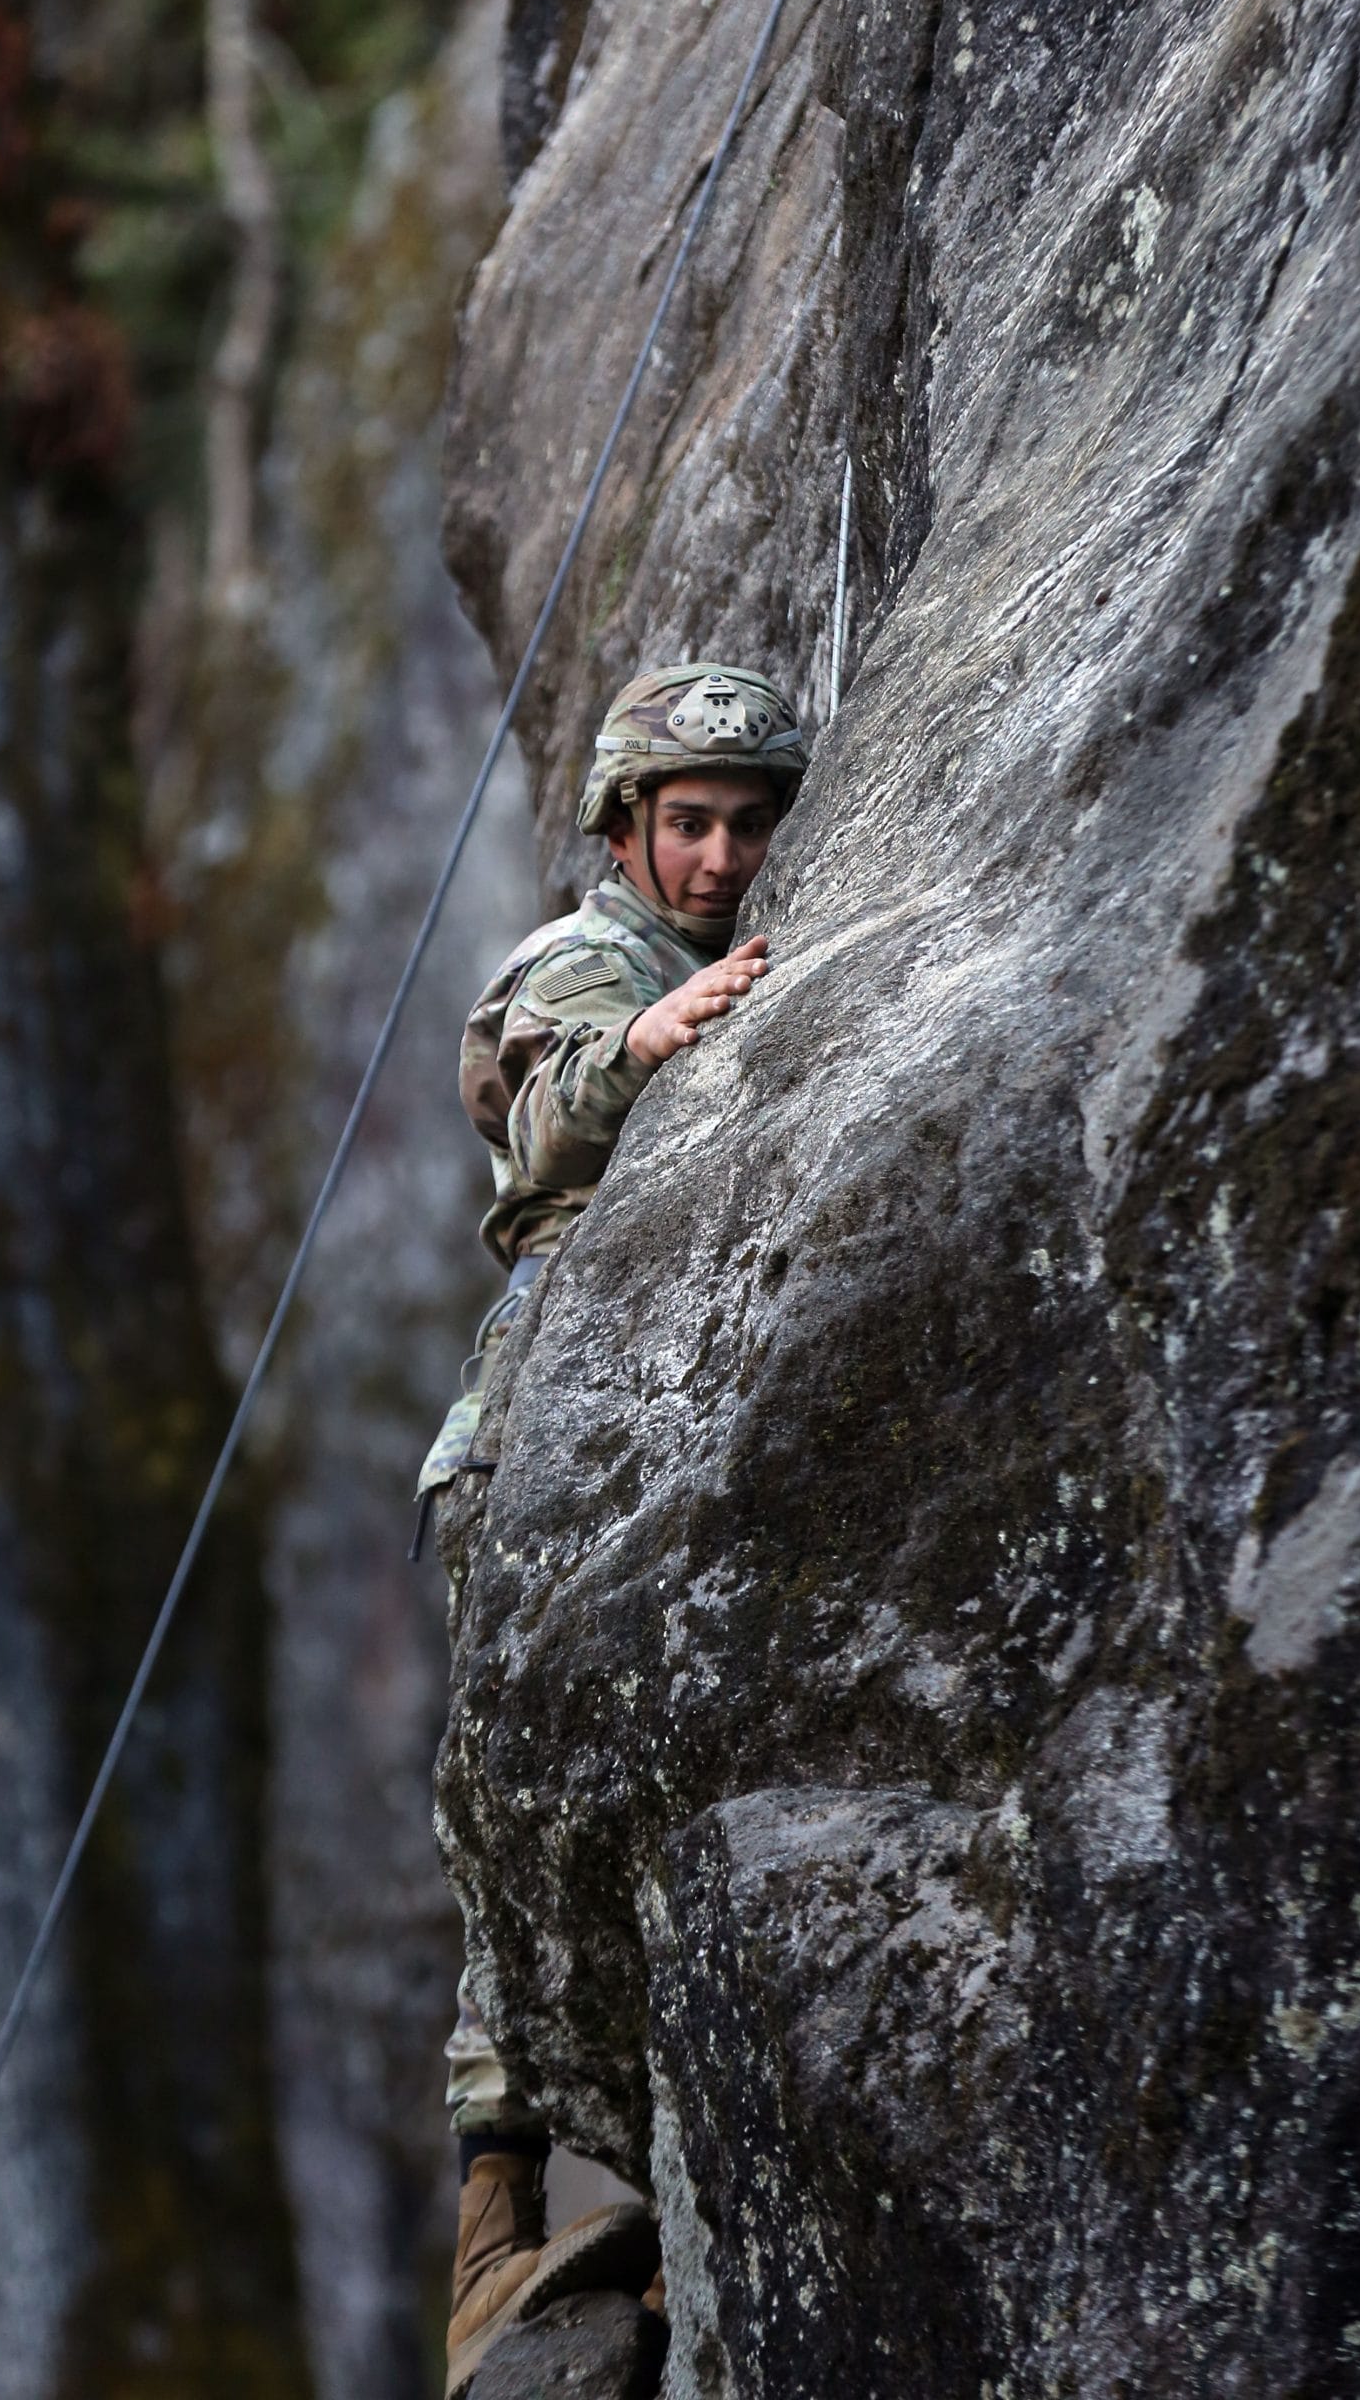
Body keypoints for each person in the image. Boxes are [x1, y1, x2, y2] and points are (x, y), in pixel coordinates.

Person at [416, 663, 808, 2394]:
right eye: (690, 823)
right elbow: (530, 1110)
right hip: (530, 1441)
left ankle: (666, 2191)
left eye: (744, 824)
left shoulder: (721, 941)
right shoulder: (590, 958)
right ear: (628, 831)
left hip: (632, 1407)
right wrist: (643, 1041)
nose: (720, 856)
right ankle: (491, 2226)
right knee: (516, 1811)